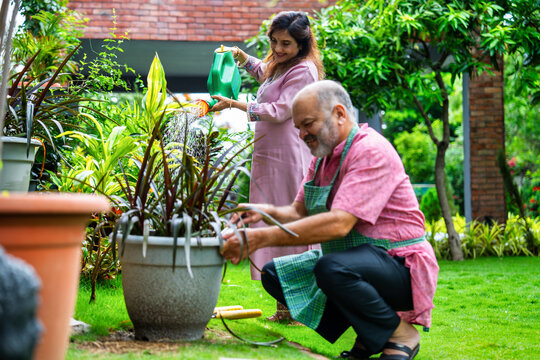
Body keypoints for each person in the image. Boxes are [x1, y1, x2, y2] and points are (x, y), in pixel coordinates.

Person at [221, 80, 439, 360]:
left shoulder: (370, 150)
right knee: (276, 274)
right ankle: (370, 338)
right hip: (357, 263)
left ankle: (400, 334)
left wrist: (261, 238)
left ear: (339, 113)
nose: (301, 134)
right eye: (298, 127)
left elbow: (339, 223)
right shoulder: (321, 158)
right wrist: (264, 212)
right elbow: (298, 212)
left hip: (401, 267)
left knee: (331, 268)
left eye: (307, 123)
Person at [210, 11, 324, 322]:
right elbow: (265, 73)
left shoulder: (304, 70)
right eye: (273, 41)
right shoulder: (283, 65)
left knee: (285, 223)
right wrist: (243, 57)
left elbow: (281, 109)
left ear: (302, 45)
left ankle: (293, 306)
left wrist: (235, 104)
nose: (277, 48)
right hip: (269, 155)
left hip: (287, 155)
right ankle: (285, 305)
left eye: (285, 43)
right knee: (269, 220)